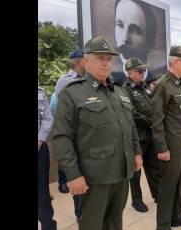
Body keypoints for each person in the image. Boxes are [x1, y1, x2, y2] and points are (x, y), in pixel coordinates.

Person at [50, 36, 143, 230]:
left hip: (122, 171)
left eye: (108, 59)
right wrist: (73, 175)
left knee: (115, 222)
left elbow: (130, 125)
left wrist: (136, 152)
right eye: (99, 58)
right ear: (86, 62)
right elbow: (61, 137)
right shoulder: (73, 93)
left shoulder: (119, 91)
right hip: (94, 177)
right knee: (92, 224)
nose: (105, 63)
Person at [151, 45, 181, 229]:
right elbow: (156, 121)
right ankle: (163, 224)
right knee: (168, 187)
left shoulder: (180, 84)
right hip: (170, 147)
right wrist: (162, 148)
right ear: (176, 62)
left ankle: (178, 215)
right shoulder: (163, 85)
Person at [51, 49, 85, 220]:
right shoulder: (65, 82)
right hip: (73, 135)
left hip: (87, 137)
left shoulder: (88, 80)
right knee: (76, 174)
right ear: (78, 62)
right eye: (85, 60)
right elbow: (66, 112)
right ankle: (80, 214)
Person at [123, 57, 162, 211]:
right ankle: (136, 200)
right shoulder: (126, 89)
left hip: (150, 135)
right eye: (139, 70)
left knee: (153, 167)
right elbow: (133, 114)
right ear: (130, 72)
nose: (142, 73)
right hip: (138, 137)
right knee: (136, 171)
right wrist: (153, 123)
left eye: (143, 70)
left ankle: (158, 194)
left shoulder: (143, 87)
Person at [114, 0, 166, 78]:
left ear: (150, 41)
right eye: (120, 25)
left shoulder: (159, 75)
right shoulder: (110, 78)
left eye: (135, 30)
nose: (124, 38)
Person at [38, 87, 56, 230]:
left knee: (41, 191)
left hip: (39, 148)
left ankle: (48, 225)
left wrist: (40, 140)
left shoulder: (39, 92)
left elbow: (48, 117)